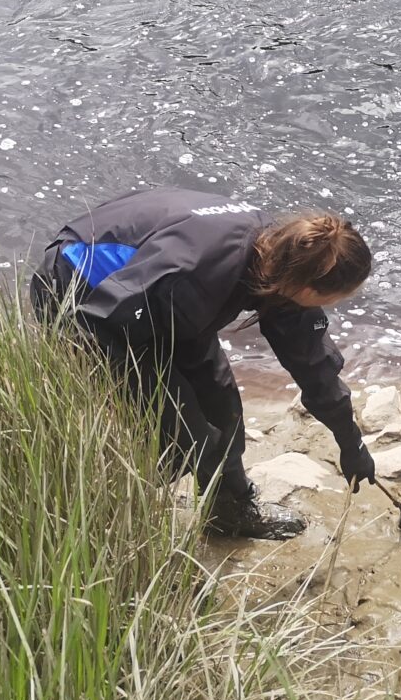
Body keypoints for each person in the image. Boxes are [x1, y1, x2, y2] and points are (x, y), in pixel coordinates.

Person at [30, 185, 378, 541]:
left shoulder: (284, 260)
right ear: (309, 288)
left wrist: (352, 445)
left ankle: (230, 511)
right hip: (82, 297)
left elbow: (314, 366)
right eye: (335, 298)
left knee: (221, 408)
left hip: (156, 298)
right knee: (183, 437)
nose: (333, 305)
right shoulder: (196, 274)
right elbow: (97, 325)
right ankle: (103, 517)